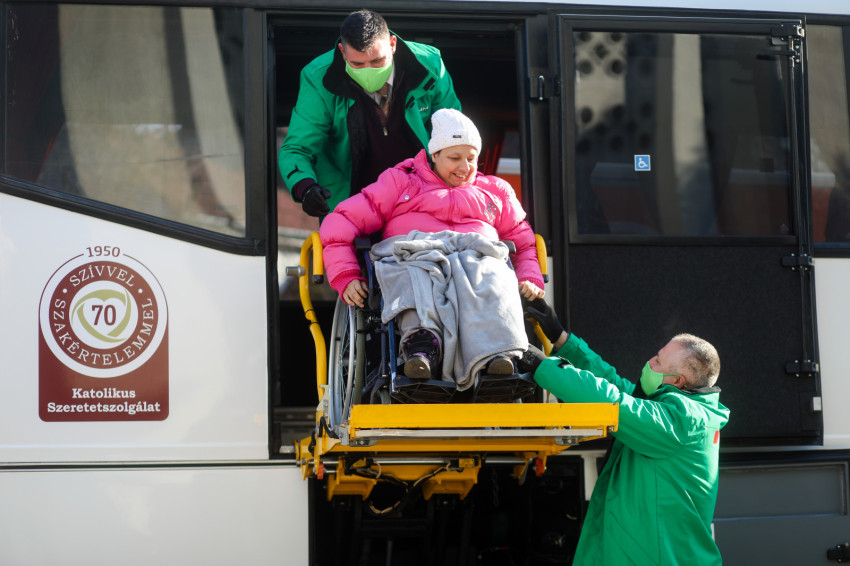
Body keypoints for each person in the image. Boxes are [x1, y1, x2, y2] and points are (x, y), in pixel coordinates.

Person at [320, 108, 545, 390]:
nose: (465, 167)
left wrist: (530, 275)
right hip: (415, 255)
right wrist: (346, 274)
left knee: (493, 272)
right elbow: (341, 221)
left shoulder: (494, 191)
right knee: (416, 273)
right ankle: (422, 347)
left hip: (475, 258)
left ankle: (496, 355)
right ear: (434, 155)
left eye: (471, 158)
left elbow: (522, 240)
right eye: (455, 158)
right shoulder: (401, 181)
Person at [521, 299, 729, 566]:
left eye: (658, 361)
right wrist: (559, 336)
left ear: (678, 381)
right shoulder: (677, 414)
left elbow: (613, 402)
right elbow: (612, 384)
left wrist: (541, 366)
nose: (649, 362)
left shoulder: (681, 423)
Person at [279, 9, 462, 217]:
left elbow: (455, 134)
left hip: (424, 200)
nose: (369, 70)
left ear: (392, 44)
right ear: (342, 52)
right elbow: (297, 148)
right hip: (353, 206)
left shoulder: (430, 66)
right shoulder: (317, 78)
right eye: (357, 64)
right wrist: (305, 187)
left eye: (377, 61)